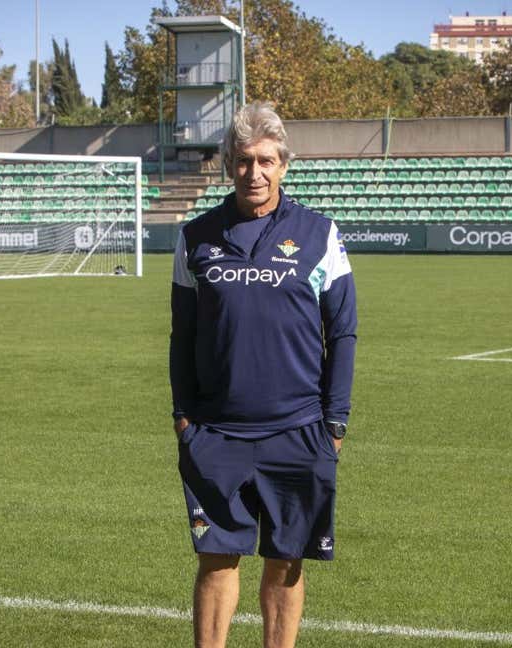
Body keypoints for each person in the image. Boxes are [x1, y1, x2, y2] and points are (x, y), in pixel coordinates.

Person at [169, 102, 357, 648]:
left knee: (284, 562)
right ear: (229, 163)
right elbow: (181, 337)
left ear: (284, 165)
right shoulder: (196, 237)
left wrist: (334, 425)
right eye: (245, 161)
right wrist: (184, 419)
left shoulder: (320, 234)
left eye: (267, 161)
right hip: (216, 433)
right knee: (216, 559)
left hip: (297, 431)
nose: (256, 173)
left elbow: (342, 333)